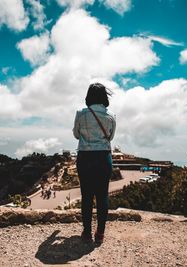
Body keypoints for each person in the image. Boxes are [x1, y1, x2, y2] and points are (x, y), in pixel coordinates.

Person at [73, 83, 116, 245]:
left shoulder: (80, 114)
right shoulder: (111, 116)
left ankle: (86, 232)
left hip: (85, 157)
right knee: (102, 195)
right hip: (104, 157)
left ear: (88, 96)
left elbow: (76, 134)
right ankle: (100, 234)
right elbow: (110, 137)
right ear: (105, 97)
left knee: (87, 196)